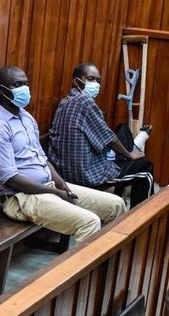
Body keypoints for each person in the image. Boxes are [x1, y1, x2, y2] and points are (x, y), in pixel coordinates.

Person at [0, 65, 127, 243]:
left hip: (48, 187)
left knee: (117, 205)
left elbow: (42, 158)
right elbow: (10, 178)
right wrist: (54, 193)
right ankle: (77, 271)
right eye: (17, 85)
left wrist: (61, 185)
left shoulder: (26, 118)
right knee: (89, 223)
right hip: (21, 198)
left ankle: (102, 265)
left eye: (25, 84)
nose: (24, 89)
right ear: (1, 90)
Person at [48, 63, 154, 208]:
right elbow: (109, 138)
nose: (96, 84)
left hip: (63, 170)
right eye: (91, 79)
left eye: (98, 80)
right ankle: (140, 219)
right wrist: (129, 155)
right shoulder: (85, 102)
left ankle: (132, 147)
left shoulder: (65, 102)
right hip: (85, 175)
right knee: (145, 168)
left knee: (122, 129)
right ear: (76, 81)